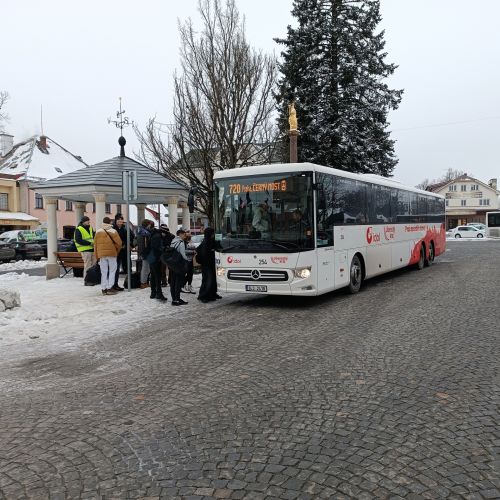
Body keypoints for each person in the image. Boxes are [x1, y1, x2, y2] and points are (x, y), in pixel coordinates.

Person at [93, 216, 122, 296]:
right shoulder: (113, 231)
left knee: (104, 272)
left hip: (102, 255)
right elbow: (119, 243)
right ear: (110, 222)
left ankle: (103, 288)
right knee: (112, 270)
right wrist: (116, 251)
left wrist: (97, 256)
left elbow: (95, 245)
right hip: (112, 254)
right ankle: (110, 287)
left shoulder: (98, 231)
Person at [197, 227, 220, 303]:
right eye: (212, 233)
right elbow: (205, 254)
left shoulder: (210, 241)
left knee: (213, 280)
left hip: (212, 264)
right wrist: (212, 251)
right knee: (207, 280)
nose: (213, 235)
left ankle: (212, 294)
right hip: (207, 265)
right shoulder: (206, 242)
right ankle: (203, 296)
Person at [145, 225, 168, 301]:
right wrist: (163, 250)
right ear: (163, 232)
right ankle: (159, 294)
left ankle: (153, 293)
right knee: (157, 276)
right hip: (154, 258)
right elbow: (156, 248)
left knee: (153, 276)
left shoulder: (154, 235)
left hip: (151, 258)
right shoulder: (157, 236)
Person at [169, 229, 190, 306]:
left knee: (173, 282)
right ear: (180, 234)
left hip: (172, 264)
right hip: (178, 265)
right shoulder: (180, 243)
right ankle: (177, 300)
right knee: (177, 282)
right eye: (184, 234)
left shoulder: (173, 241)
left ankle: (174, 299)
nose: (185, 235)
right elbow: (183, 254)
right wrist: (188, 260)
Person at [74, 216, 96, 282]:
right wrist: (89, 243)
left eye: (89, 220)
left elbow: (94, 236)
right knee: (87, 266)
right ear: (83, 221)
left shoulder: (90, 228)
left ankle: (92, 279)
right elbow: (78, 240)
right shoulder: (79, 229)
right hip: (85, 250)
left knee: (93, 265)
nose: (89, 222)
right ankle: (87, 280)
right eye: (87, 221)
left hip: (92, 249)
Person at [136, 219, 154, 289]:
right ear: (147, 224)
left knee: (146, 268)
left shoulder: (140, 231)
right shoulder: (145, 233)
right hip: (146, 252)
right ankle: (143, 283)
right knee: (146, 268)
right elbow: (146, 245)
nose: (150, 226)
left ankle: (144, 282)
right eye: (149, 224)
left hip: (143, 252)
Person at [181, 230, 196, 294]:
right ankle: (183, 285)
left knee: (190, 273)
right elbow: (184, 251)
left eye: (190, 233)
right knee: (185, 273)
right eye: (188, 233)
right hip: (185, 260)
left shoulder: (191, 241)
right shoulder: (183, 242)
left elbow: (194, 248)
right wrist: (193, 252)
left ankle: (189, 285)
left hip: (191, 259)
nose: (189, 234)